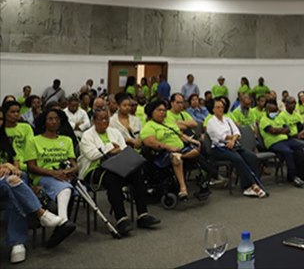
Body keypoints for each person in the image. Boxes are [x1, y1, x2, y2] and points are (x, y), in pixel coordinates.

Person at [1, 109, 73, 262]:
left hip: (6, 179)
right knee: (14, 185)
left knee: (15, 184)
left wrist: (12, 167)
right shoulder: (35, 140)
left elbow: (15, 159)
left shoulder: (4, 140)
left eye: (0, 119)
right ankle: (39, 216)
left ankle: (19, 242)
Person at [78, 107, 160, 235]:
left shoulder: (114, 132)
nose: (104, 121)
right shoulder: (87, 135)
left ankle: (143, 215)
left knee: (137, 173)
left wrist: (110, 150)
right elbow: (92, 155)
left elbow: (123, 149)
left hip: (117, 165)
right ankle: (121, 219)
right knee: (112, 178)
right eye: (101, 119)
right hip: (94, 170)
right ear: (94, 121)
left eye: (107, 118)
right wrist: (110, 147)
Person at [140, 100, 212, 200]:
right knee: (176, 158)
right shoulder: (149, 126)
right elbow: (151, 143)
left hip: (181, 150)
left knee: (196, 150)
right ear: (151, 112)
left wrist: (190, 140)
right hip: (163, 154)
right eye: (159, 110)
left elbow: (179, 134)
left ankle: (202, 178)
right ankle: (183, 189)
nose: (163, 112)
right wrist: (169, 147)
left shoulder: (168, 123)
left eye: (164, 110)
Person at [24, 107, 78, 231]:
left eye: (57, 119)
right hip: (42, 177)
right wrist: (53, 173)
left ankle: (62, 223)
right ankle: (63, 221)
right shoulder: (33, 141)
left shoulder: (67, 140)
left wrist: (69, 171)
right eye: (50, 119)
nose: (54, 122)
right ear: (44, 122)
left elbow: (74, 164)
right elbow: (31, 167)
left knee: (65, 185)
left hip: (63, 175)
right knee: (64, 186)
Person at [205, 97, 266, 198]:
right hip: (219, 149)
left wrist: (233, 140)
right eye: (218, 107)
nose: (220, 109)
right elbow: (221, 136)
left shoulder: (228, 119)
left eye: (222, 107)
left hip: (233, 146)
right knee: (238, 158)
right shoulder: (211, 122)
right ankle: (251, 185)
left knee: (251, 156)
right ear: (213, 109)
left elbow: (237, 132)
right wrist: (232, 138)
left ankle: (248, 185)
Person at [259, 99, 304, 188]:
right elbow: (272, 131)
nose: (275, 113)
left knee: (303, 145)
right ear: (267, 111)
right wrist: (281, 130)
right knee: (288, 152)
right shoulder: (263, 120)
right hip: (273, 143)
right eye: (273, 111)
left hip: (286, 140)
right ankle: (292, 176)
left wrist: (279, 130)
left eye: (276, 111)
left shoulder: (278, 117)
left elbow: (287, 129)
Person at [2, 100, 34, 170]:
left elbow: (29, 148)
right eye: (12, 112)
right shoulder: (1, 129)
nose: (16, 114)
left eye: (18, 112)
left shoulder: (26, 127)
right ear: (5, 113)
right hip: (5, 165)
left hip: (24, 165)